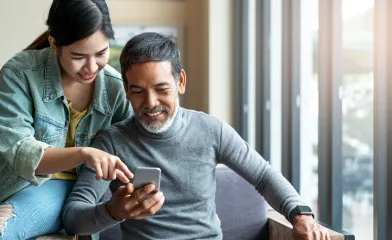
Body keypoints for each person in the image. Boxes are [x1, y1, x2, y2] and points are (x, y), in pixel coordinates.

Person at [63, 32, 330, 240]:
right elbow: (74, 217)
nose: (151, 102)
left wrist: (301, 214)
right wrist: (114, 211)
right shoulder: (111, 143)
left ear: (180, 82)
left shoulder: (211, 130)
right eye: (138, 91)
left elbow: (263, 176)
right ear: (125, 89)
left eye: (161, 89)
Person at [0, 1, 161, 239]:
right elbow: (20, 153)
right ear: (54, 44)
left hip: (81, 194)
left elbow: (143, 148)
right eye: (78, 56)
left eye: (101, 53)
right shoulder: (19, 74)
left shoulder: (115, 89)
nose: (91, 67)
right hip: (21, 185)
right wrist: (84, 154)